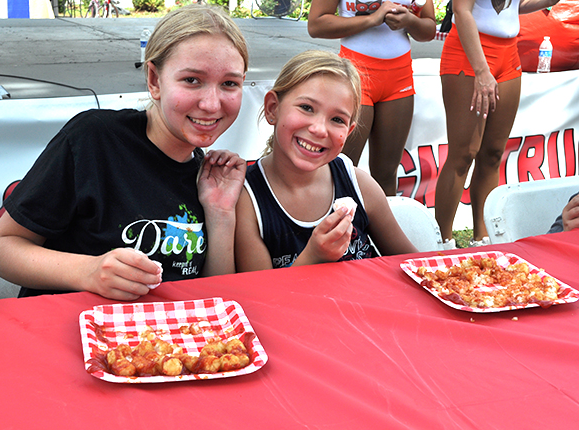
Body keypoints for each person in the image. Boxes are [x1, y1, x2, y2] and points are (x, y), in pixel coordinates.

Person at [0, 4, 249, 301]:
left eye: (229, 84)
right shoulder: (94, 139)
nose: (212, 104)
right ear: (154, 80)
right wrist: (89, 271)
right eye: (192, 80)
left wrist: (221, 214)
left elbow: (215, 298)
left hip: (160, 344)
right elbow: (0, 250)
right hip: (67, 332)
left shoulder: (209, 179)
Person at [234, 51, 418, 272]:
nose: (319, 129)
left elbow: (415, 265)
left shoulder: (358, 184)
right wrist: (313, 256)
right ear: (273, 108)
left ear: (349, 131)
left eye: (337, 119)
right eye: (306, 108)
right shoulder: (247, 199)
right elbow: (260, 297)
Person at [435, 0, 561, 248]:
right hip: (469, 52)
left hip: (508, 53)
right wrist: (481, 70)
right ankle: (442, 241)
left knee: (492, 154)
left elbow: (516, 5)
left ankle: (482, 239)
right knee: (463, 154)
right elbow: (462, 11)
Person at [307, 0, 436, 196]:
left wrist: (410, 21)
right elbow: (316, 25)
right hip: (355, 74)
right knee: (341, 171)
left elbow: (429, 30)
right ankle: (334, 225)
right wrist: (371, 20)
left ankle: (378, 227)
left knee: (386, 174)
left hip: (399, 78)